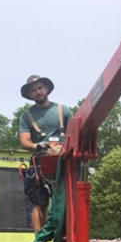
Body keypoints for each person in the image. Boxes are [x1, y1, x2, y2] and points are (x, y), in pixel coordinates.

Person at [17, 75, 74, 230]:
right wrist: (36, 146)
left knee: (69, 201)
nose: (37, 92)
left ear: (47, 89)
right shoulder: (26, 116)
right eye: (33, 90)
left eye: (40, 88)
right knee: (38, 203)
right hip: (41, 162)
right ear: (29, 95)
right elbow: (24, 141)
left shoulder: (63, 111)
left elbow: (76, 133)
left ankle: (67, 237)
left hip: (64, 159)